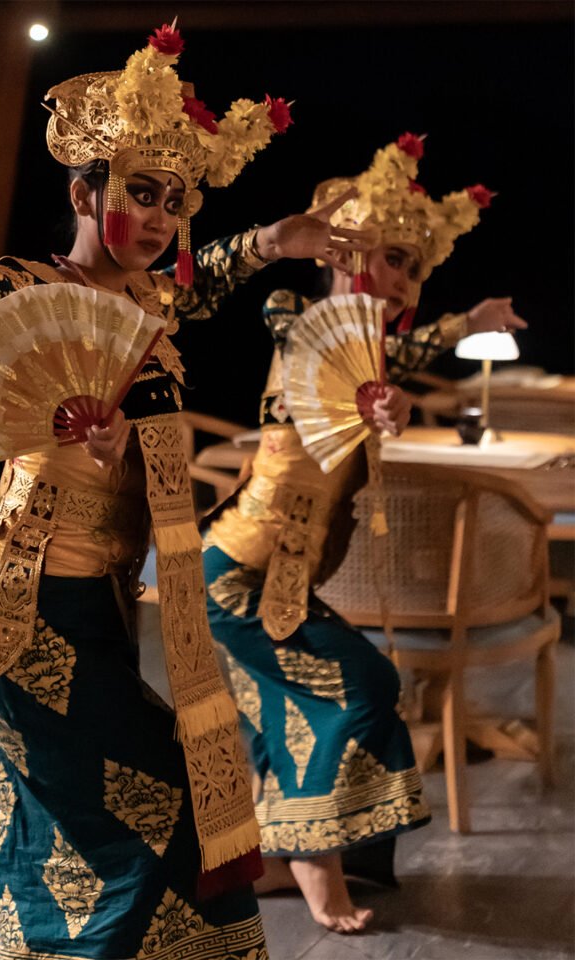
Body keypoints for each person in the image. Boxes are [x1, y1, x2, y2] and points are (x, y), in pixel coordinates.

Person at [0, 23, 371, 959]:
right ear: (83, 191)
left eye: (175, 199)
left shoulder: (145, 304)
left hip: (90, 607)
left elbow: (191, 286)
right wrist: (60, 410)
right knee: (157, 814)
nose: (165, 216)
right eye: (140, 192)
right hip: (24, 612)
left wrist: (270, 241)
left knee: (93, 826)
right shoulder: (29, 287)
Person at [203, 133, 525, 934]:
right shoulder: (300, 321)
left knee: (285, 713)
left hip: (280, 576)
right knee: (365, 687)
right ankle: (313, 858)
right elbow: (316, 366)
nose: (399, 278)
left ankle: (273, 861)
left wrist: (464, 326)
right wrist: (368, 407)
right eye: (386, 257)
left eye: (413, 266)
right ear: (346, 257)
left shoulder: (372, 353)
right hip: (241, 571)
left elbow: (398, 354)